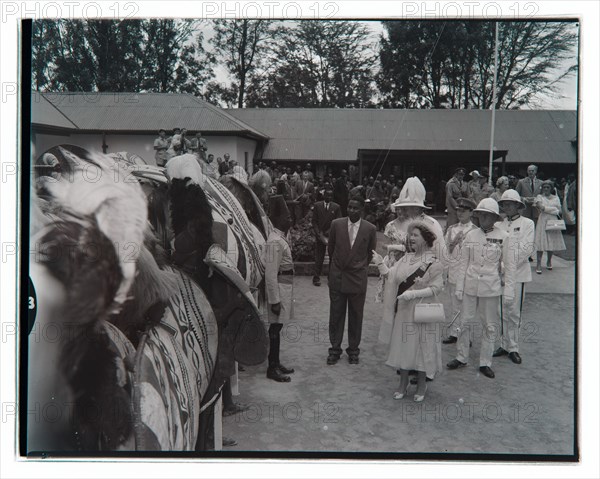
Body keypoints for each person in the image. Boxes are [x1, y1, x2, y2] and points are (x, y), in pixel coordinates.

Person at [372, 221, 444, 402]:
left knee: (421, 348)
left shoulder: (433, 262)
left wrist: (413, 295)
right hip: (404, 312)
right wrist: (380, 264)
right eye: (410, 235)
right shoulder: (405, 259)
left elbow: (437, 288)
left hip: (422, 311)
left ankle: (421, 384)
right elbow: (391, 277)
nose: (411, 238)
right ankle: (403, 384)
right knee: (404, 347)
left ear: (426, 239)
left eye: (415, 235)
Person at [446, 198, 516, 379]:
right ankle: (461, 357)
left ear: (494, 217)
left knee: (489, 326)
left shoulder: (505, 237)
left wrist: (509, 290)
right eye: (481, 214)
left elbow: (509, 266)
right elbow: (464, 263)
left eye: (488, 215)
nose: (484, 218)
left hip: (490, 288)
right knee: (464, 322)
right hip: (470, 285)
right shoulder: (471, 235)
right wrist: (459, 287)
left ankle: (485, 362)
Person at [326, 196, 377, 365]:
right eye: (349, 207)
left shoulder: (370, 229)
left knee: (356, 315)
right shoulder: (336, 224)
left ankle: (354, 350)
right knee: (336, 315)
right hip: (338, 277)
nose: (352, 211)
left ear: (362, 210)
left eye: (356, 208)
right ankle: (335, 349)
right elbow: (331, 248)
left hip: (357, 278)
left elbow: (370, 253)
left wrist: (358, 267)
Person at [492, 189, 535, 365]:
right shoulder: (499, 225)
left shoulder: (527, 224)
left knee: (514, 312)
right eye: (504, 203)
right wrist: (499, 267)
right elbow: (494, 249)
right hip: (500, 275)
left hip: (518, 274)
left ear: (518, 205)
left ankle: (513, 347)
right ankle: (503, 344)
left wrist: (506, 267)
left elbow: (526, 249)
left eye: (510, 203)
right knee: (500, 310)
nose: (507, 206)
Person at [264, 195, 296, 382]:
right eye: (287, 217)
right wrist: (274, 300)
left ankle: (276, 362)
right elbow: (270, 273)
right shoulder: (275, 241)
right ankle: (272, 367)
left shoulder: (280, 238)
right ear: (277, 220)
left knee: (278, 327)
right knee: (274, 329)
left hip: (285, 286)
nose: (290, 220)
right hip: (279, 289)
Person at [440, 197, 477, 345]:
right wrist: (445, 272)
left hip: (469, 273)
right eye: (458, 211)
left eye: (464, 211)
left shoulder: (475, 231)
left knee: (467, 307)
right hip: (454, 272)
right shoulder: (451, 229)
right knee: (455, 306)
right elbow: (446, 253)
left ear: (471, 212)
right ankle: (455, 332)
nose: (460, 213)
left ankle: (466, 335)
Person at [533, 180, 566, 274]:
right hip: (543, 220)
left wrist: (551, 210)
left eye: (548, 187)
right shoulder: (539, 197)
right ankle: (538, 264)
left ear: (551, 188)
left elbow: (560, 211)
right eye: (544, 187)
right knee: (541, 242)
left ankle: (549, 261)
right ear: (542, 188)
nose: (546, 189)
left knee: (550, 241)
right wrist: (554, 209)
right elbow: (541, 207)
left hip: (553, 221)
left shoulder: (556, 198)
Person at [312, 189, 342, 286]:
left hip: (331, 236)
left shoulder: (336, 207)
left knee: (332, 257)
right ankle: (316, 278)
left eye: (331, 196)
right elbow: (314, 221)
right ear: (323, 195)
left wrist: (329, 232)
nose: (329, 197)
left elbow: (338, 221)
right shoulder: (317, 205)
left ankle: (331, 278)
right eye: (327, 195)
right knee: (319, 257)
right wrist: (318, 233)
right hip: (320, 235)